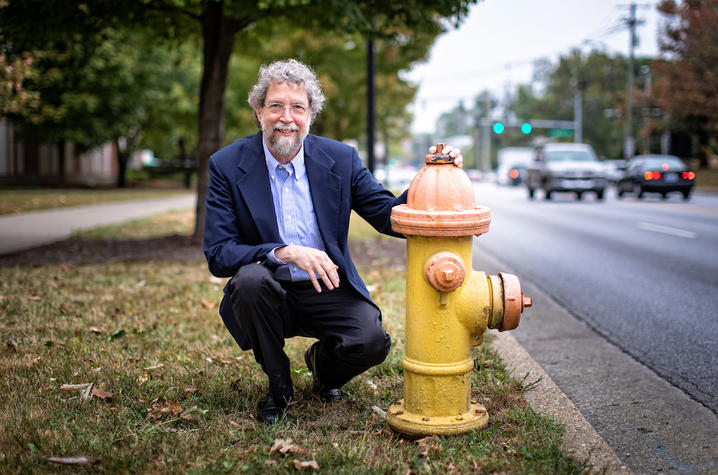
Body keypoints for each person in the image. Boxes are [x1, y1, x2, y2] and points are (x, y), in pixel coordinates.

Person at [203, 58, 462, 424]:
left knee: (371, 343)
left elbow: (389, 215)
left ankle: (323, 370)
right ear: (259, 111)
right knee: (248, 280)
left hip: (329, 285)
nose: (286, 117)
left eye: (297, 107)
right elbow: (218, 253)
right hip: (266, 290)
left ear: (311, 115)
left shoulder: (340, 159)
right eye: (275, 106)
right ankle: (279, 388)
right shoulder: (227, 165)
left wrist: (436, 173)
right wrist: (283, 252)